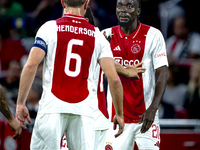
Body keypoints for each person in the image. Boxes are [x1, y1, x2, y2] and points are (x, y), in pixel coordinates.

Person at [15, 0, 124, 149]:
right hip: (84, 111)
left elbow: (30, 66)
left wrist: (21, 103)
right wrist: (119, 114)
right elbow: (114, 79)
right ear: (86, 4)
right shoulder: (98, 36)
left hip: (52, 107)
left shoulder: (49, 28)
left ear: (63, 3)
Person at [103, 0, 168, 149]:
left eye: (129, 6)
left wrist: (153, 108)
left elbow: (163, 72)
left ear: (138, 11)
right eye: (120, 5)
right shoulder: (106, 35)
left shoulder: (153, 35)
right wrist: (124, 70)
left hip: (146, 118)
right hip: (115, 119)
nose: (123, 10)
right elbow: (93, 65)